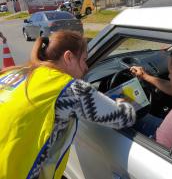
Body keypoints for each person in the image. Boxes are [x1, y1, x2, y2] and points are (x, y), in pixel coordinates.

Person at [0, 30, 136, 179]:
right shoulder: (69, 90)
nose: (86, 67)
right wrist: (122, 101)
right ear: (69, 57)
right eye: (84, 59)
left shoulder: (15, 73)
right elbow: (125, 117)